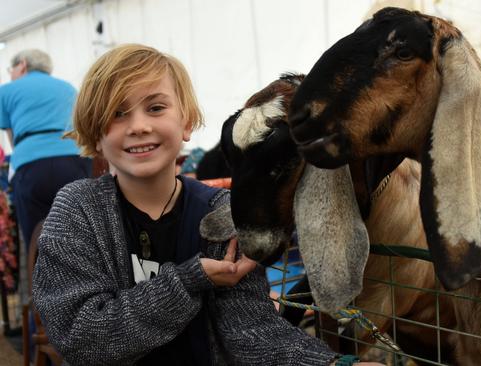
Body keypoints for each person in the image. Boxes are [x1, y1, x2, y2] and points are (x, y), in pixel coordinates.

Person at [32, 44, 382, 366]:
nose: (139, 126)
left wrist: (332, 364)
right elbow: (82, 338)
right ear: (95, 134)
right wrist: (189, 281)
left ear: (185, 122)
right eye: (118, 114)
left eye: (155, 108)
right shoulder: (77, 211)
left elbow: (252, 333)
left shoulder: (220, 211)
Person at [0, 49, 91, 248]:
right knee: (78, 227)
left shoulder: (6, 90)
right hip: (73, 158)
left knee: (36, 234)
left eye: (11, 69)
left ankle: (41, 276)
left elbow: (10, 134)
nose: (10, 74)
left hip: (31, 162)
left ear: (22, 64)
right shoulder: (68, 88)